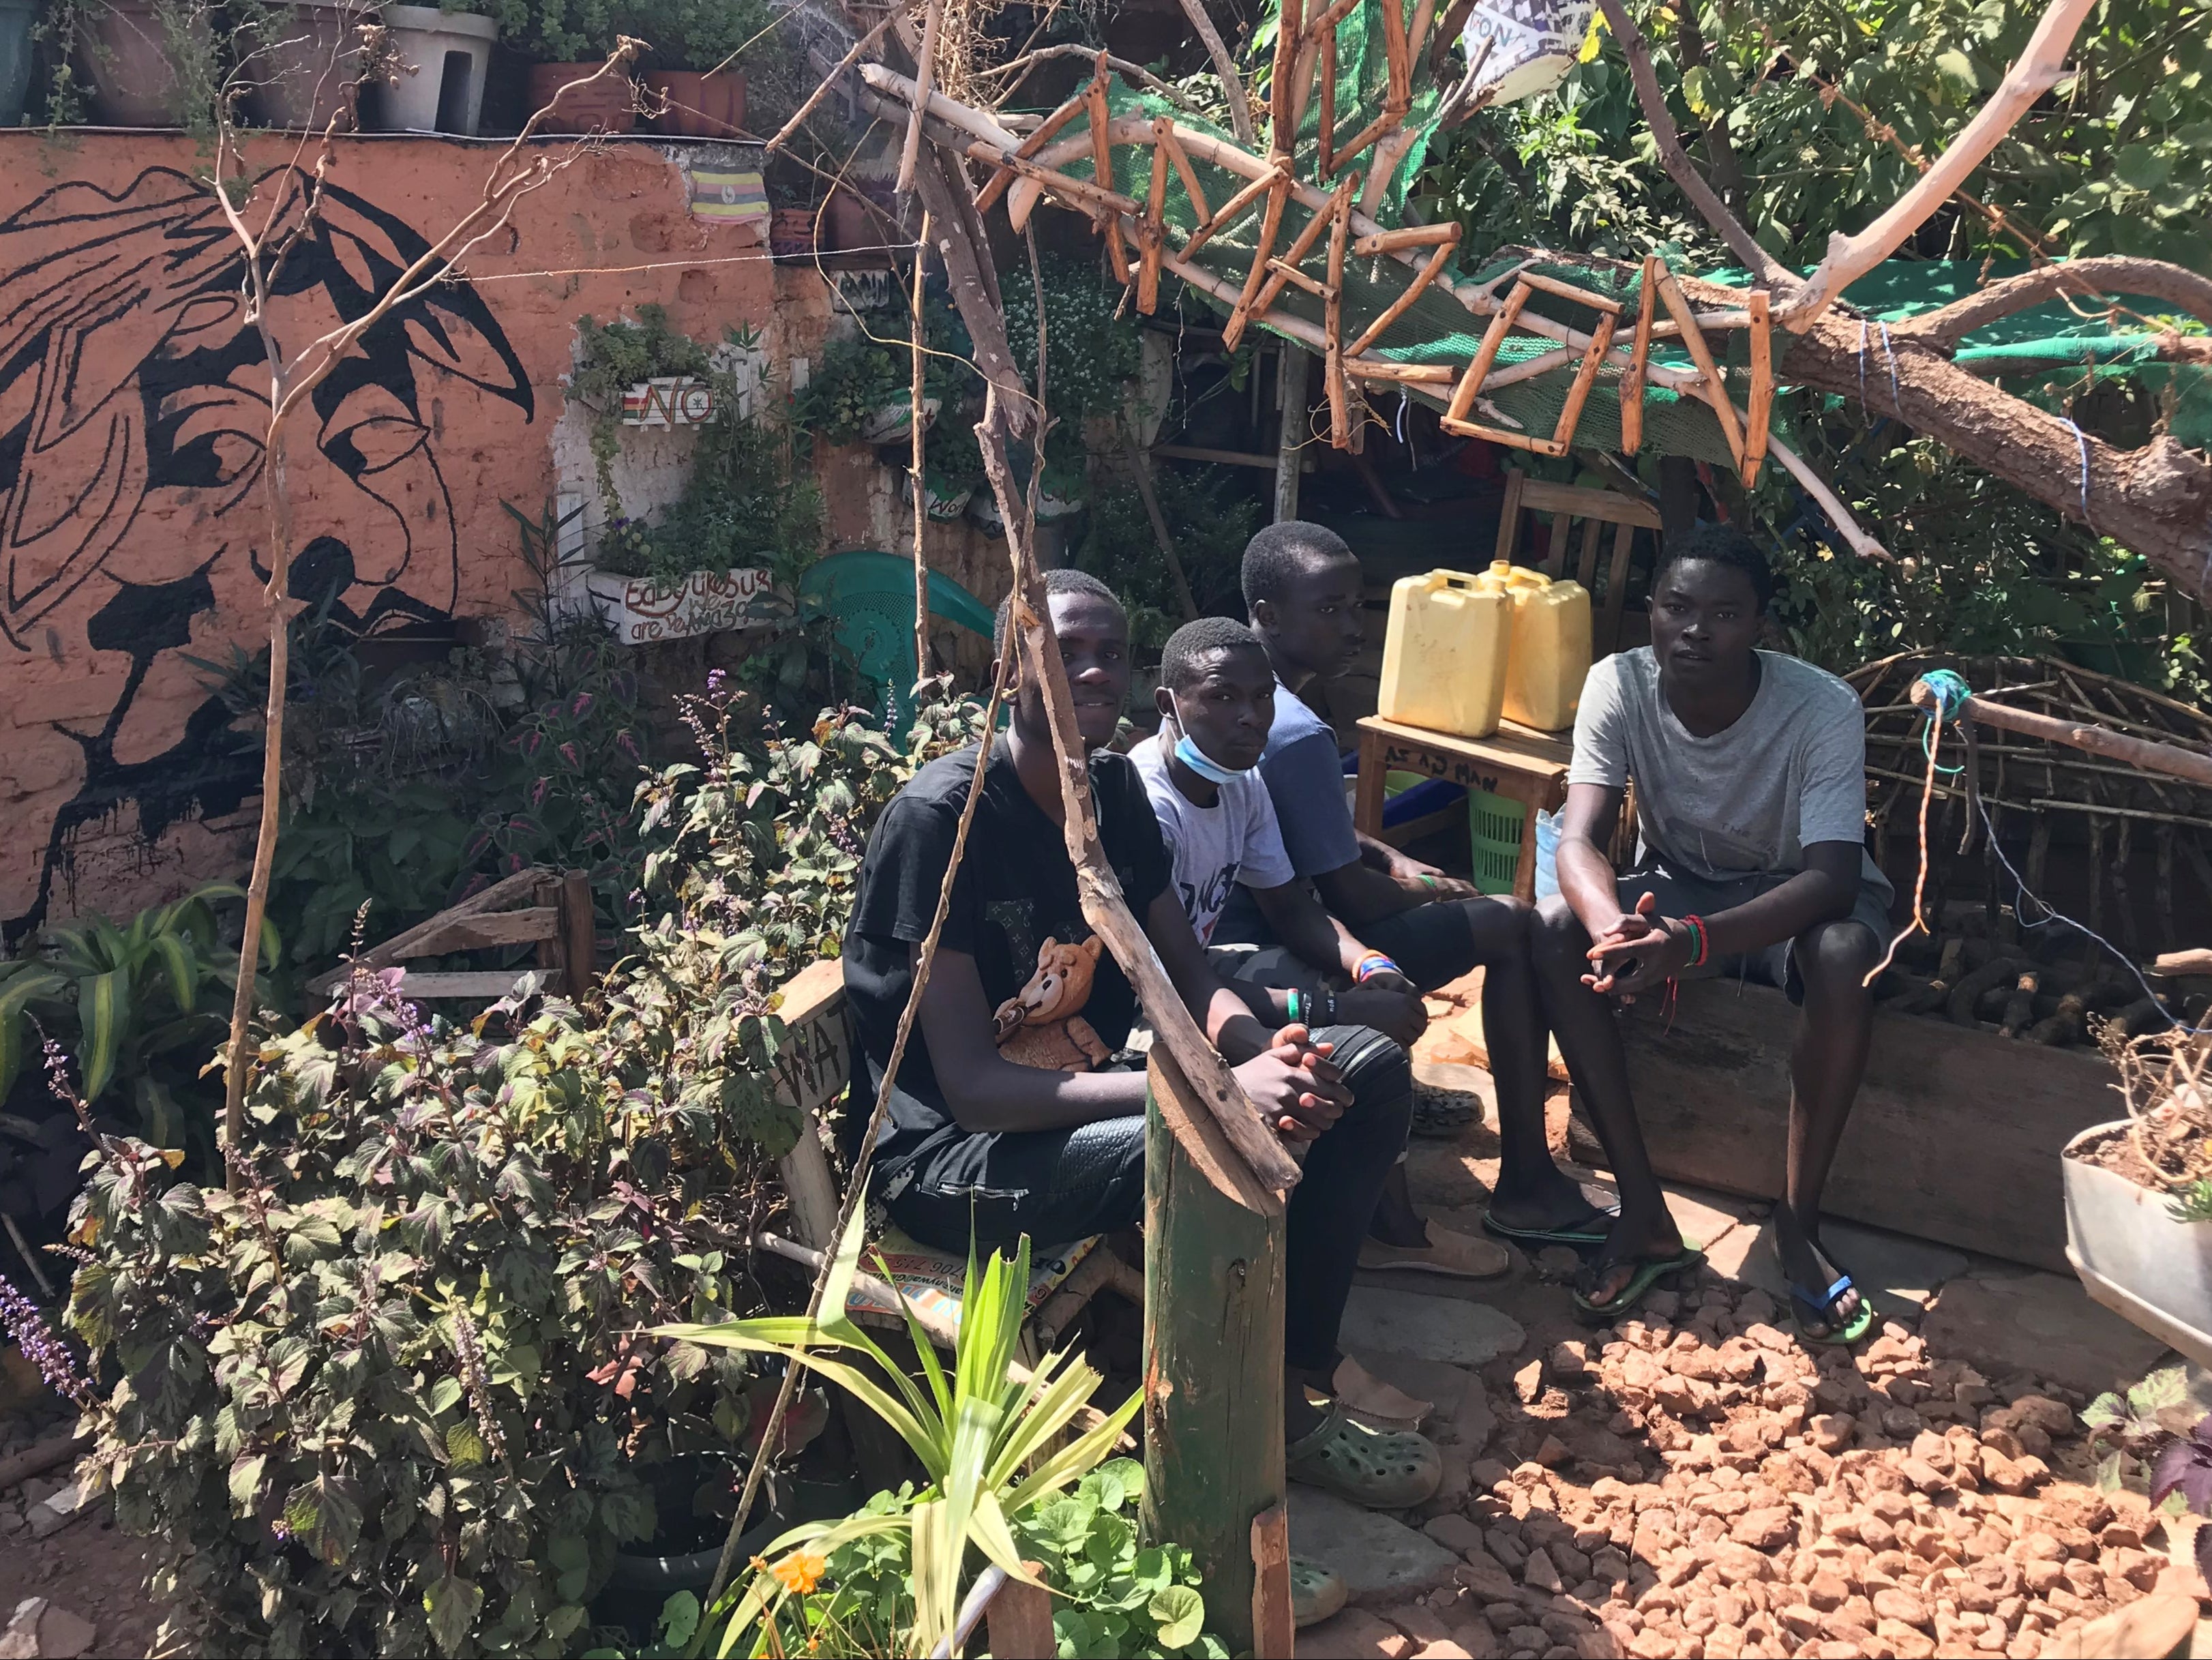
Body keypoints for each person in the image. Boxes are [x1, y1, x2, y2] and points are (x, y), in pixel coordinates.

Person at [841, 567, 1444, 1528]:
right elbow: (977, 1091)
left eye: (1109, 653)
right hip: (954, 1163)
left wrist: (1262, 1050)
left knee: (1360, 1070)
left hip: (1076, 1106)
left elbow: (1188, 973)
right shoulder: (943, 821)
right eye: (1060, 650)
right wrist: (1209, 1086)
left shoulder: (1113, 792)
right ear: (1006, 671)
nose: (1091, 672)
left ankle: (1289, 1397)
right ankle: (1206, 1494)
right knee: (1209, 1140)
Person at [1531, 524, 1892, 1339]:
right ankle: (1644, 1210)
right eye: (1675, 608)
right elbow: (1580, 835)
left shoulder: (1820, 706)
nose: (1694, 630)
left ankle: (1797, 1224)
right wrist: (1612, 929)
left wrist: (1687, 943)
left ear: (1759, 625)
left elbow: (1831, 877)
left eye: (1723, 615)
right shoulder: (1617, 683)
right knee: (1555, 927)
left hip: (1791, 895)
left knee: (1841, 957)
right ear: (1652, 611)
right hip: (1678, 886)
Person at [1219, 520, 1611, 1250]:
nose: (1353, 627)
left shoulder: (1231, 684)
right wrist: (1435, 892)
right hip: (1272, 942)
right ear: (1268, 615)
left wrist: (1388, 856)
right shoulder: (1294, 727)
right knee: (1514, 922)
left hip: (1252, 919)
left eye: (1357, 605)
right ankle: (1524, 1176)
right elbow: (1352, 901)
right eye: (1328, 609)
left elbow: (1309, 830)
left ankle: (1407, 1101)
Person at [1134, 614, 1509, 1291]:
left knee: (1370, 1008)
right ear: (1169, 703)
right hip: (1145, 1007)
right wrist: (1333, 1004)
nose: (1249, 717)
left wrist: (1371, 965)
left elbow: (1292, 907)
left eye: (1261, 698)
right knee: (1353, 1036)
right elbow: (1163, 982)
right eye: (1222, 697)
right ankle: (1375, 1228)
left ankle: (1374, 1205)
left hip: (1206, 976)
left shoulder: (1238, 779)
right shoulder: (1147, 809)